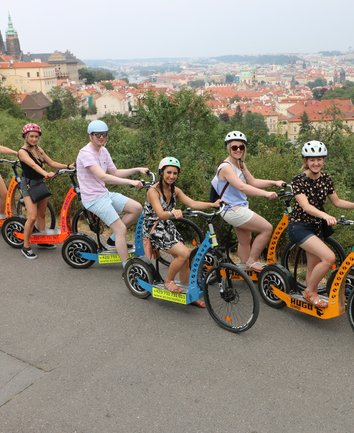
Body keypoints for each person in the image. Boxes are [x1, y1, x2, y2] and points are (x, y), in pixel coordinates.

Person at [286, 141, 354, 309]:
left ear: (323, 160)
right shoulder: (298, 180)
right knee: (329, 258)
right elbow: (306, 206)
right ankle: (311, 292)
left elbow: (337, 201)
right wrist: (325, 215)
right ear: (306, 161)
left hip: (316, 227)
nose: (316, 163)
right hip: (299, 227)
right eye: (312, 160)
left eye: (319, 159)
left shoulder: (325, 179)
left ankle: (310, 293)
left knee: (313, 266)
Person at [143, 157, 222, 307]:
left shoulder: (175, 190)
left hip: (167, 226)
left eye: (175, 173)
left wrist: (213, 204)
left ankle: (189, 294)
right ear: (161, 172)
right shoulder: (153, 191)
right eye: (168, 172)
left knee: (185, 259)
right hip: (154, 228)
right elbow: (160, 214)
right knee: (184, 253)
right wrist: (173, 212)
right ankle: (168, 281)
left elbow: (192, 203)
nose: (172, 176)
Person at [75, 120, 149, 267]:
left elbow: (115, 172)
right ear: (90, 136)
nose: (101, 138)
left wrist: (137, 169)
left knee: (137, 208)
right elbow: (104, 176)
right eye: (98, 135)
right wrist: (131, 182)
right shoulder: (86, 153)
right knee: (121, 228)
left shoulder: (103, 150)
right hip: (93, 199)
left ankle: (113, 239)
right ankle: (127, 267)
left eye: (104, 135)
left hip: (104, 194)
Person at [211, 131, 285, 272]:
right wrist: (266, 194)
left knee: (245, 240)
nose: (238, 150)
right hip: (232, 209)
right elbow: (242, 187)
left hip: (237, 208)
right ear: (228, 148)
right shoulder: (226, 167)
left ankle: (246, 270)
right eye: (234, 147)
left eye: (241, 147)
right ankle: (252, 261)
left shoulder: (240, 164)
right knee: (267, 228)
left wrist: (274, 183)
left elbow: (253, 181)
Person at [17, 123, 72, 259]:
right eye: (31, 136)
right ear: (25, 137)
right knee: (32, 216)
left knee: (42, 214)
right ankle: (26, 246)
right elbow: (33, 165)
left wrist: (68, 166)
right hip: (28, 186)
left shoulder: (38, 149)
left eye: (36, 136)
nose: (34, 139)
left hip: (40, 183)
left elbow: (51, 162)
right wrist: (46, 173)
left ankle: (41, 240)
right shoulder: (22, 152)